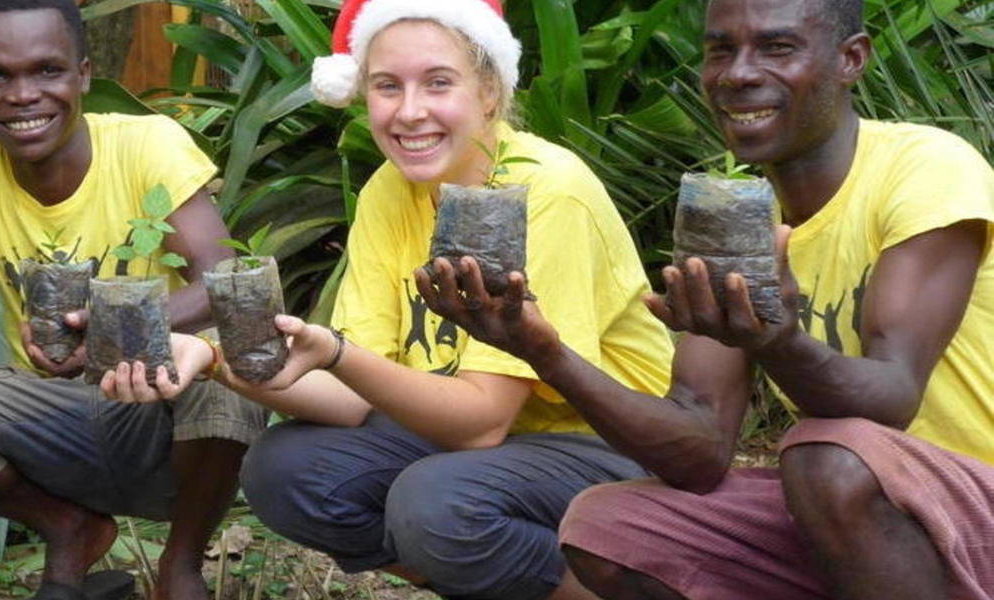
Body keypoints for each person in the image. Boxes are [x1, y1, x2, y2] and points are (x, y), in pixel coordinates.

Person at [417, 0, 994, 598]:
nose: (737, 74)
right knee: (610, 526)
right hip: (861, 523)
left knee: (828, 457)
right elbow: (697, 450)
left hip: (976, 506)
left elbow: (893, 397)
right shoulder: (741, 220)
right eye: (721, 49)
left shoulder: (926, 170)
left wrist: (781, 343)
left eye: (777, 48)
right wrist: (546, 353)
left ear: (852, 59)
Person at [160, 0, 674, 597]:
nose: (410, 112)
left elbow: (481, 423)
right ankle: (489, 579)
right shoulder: (390, 188)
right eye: (386, 86)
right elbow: (353, 400)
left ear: (489, 90)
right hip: (488, 448)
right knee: (289, 471)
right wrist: (213, 358)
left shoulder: (546, 193)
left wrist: (336, 353)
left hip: (610, 451)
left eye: (438, 83)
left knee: (436, 503)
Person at [0, 1, 267, 599]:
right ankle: (68, 529)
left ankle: (179, 566)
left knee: (216, 364)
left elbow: (222, 277)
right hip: (54, 412)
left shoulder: (146, 145)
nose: (21, 95)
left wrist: (111, 331)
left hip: (157, 404)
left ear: (82, 75)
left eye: (46, 71)